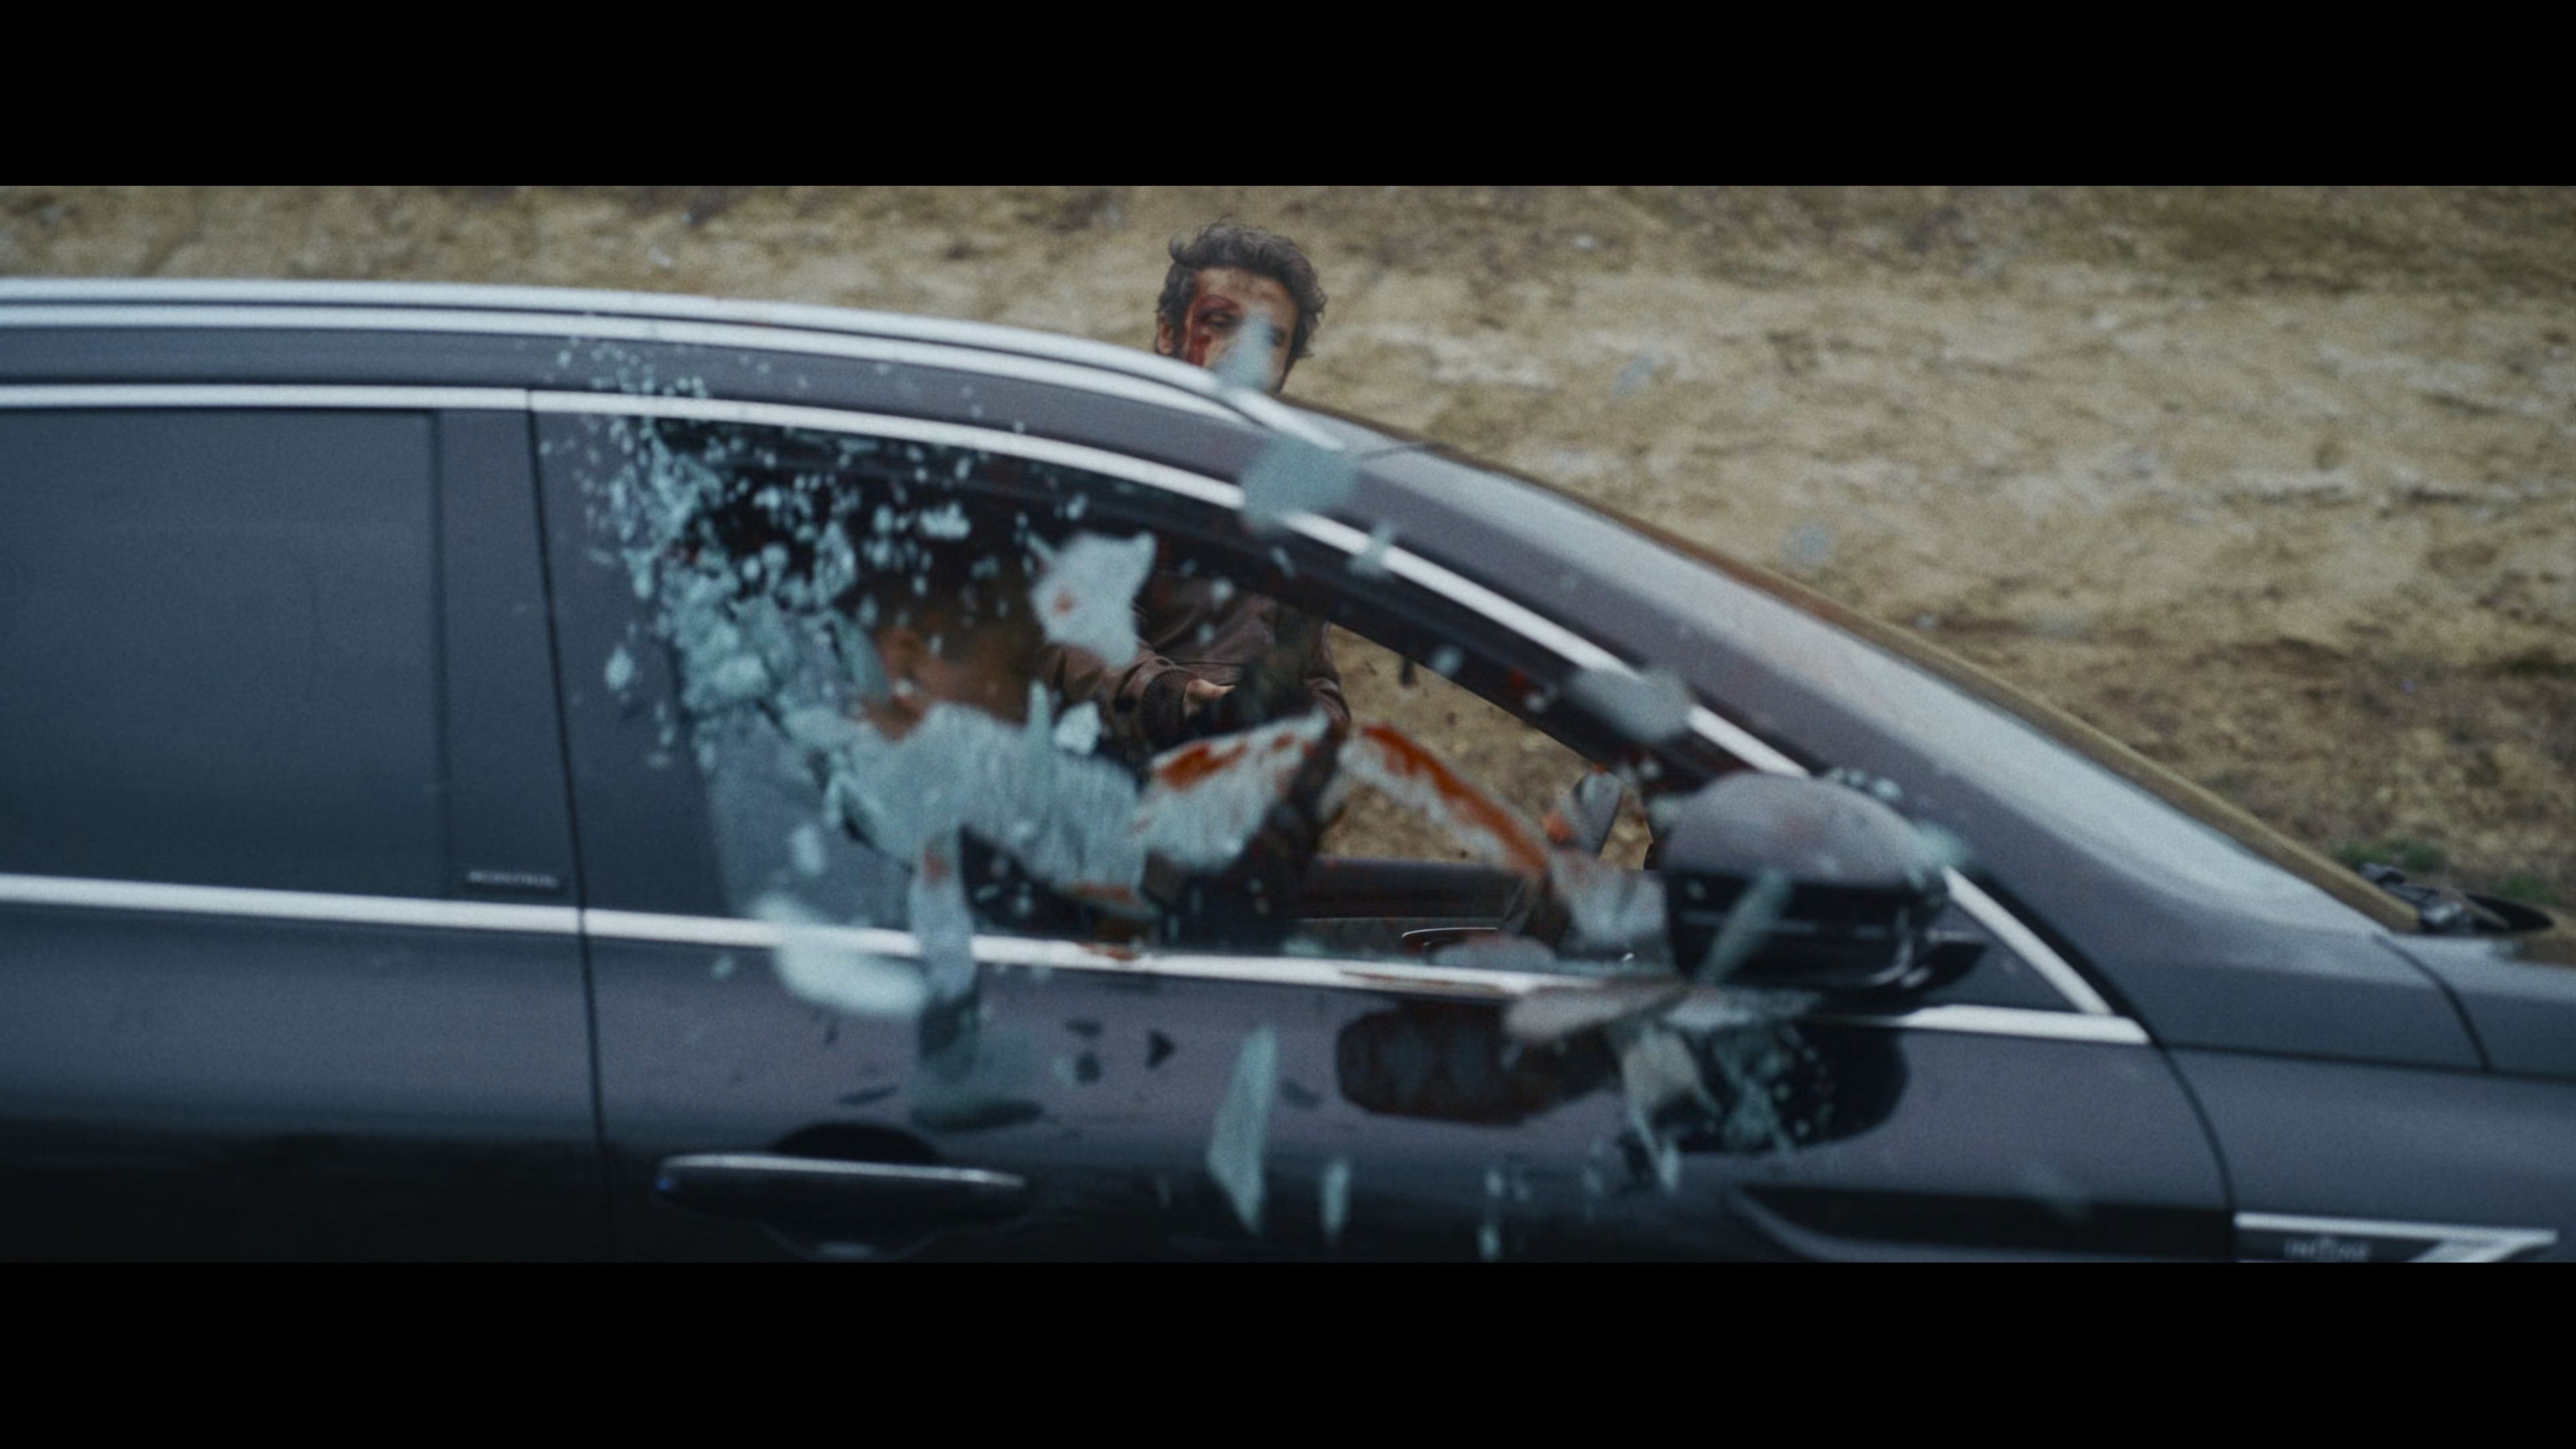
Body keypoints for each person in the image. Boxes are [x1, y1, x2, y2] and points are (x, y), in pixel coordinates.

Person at [1042, 221, 1350, 759]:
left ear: (1287, 366)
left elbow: (1314, 676)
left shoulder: (1288, 500)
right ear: (1168, 333)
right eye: (1219, 323)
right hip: (1122, 774)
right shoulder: (1115, 465)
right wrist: (1175, 700)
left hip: (1240, 780)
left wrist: (1315, 733)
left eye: (1270, 339)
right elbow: (1075, 640)